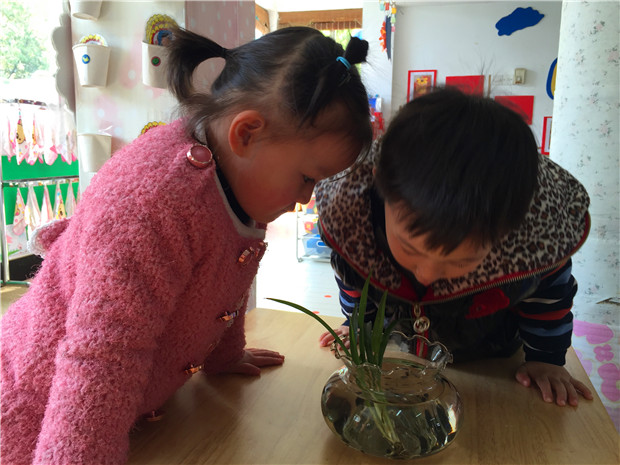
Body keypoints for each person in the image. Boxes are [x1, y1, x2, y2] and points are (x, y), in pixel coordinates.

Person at [0, 26, 372, 464]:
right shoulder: (152, 203)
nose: (306, 198)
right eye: (307, 178)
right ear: (246, 133)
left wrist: (225, 355)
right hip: (35, 408)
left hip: (131, 412)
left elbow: (221, 275)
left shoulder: (237, 174)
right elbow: (101, 356)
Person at [316, 87, 594, 408]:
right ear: (381, 187)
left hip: (492, 360)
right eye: (410, 249)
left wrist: (546, 358)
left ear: (510, 230)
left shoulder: (535, 241)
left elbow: (548, 296)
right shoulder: (354, 219)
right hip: (401, 353)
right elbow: (353, 277)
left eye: (461, 261)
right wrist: (358, 324)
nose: (426, 274)